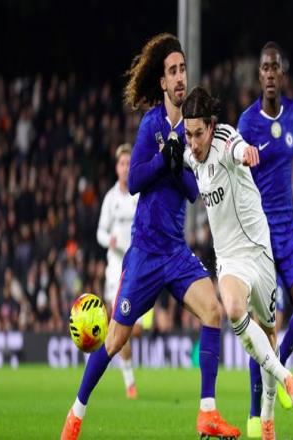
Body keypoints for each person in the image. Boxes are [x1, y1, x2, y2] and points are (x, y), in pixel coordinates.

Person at [61, 34, 240, 440]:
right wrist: (164, 159)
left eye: (182, 70)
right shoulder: (152, 124)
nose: (180, 77)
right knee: (114, 340)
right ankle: (75, 415)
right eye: (172, 71)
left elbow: (193, 192)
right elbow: (137, 180)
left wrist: (179, 166)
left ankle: (207, 412)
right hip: (144, 251)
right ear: (162, 82)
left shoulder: (193, 128)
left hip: (174, 251)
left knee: (213, 311)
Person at [182, 86, 293, 440]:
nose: (194, 142)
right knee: (234, 310)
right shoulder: (191, 154)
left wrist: (246, 152)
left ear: (211, 126)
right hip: (230, 258)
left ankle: (267, 415)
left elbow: (237, 148)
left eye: (199, 133)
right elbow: (179, 156)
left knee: (269, 332)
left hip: (258, 249)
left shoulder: (224, 139)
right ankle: (286, 378)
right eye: (188, 134)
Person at [237, 41, 293, 438]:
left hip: (287, 232)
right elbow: (234, 173)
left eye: (275, 67)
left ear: (282, 74)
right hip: (258, 236)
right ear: (259, 75)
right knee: (263, 325)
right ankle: (255, 413)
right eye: (264, 68)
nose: (270, 74)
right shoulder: (246, 123)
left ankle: (281, 368)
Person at [96, 143, 140, 399]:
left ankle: (125, 362)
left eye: (128, 163)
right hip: (115, 268)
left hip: (137, 265)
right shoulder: (110, 199)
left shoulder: (138, 194)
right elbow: (100, 232)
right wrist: (109, 240)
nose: (125, 168)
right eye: (122, 163)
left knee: (136, 329)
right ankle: (129, 380)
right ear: (117, 167)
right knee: (119, 321)